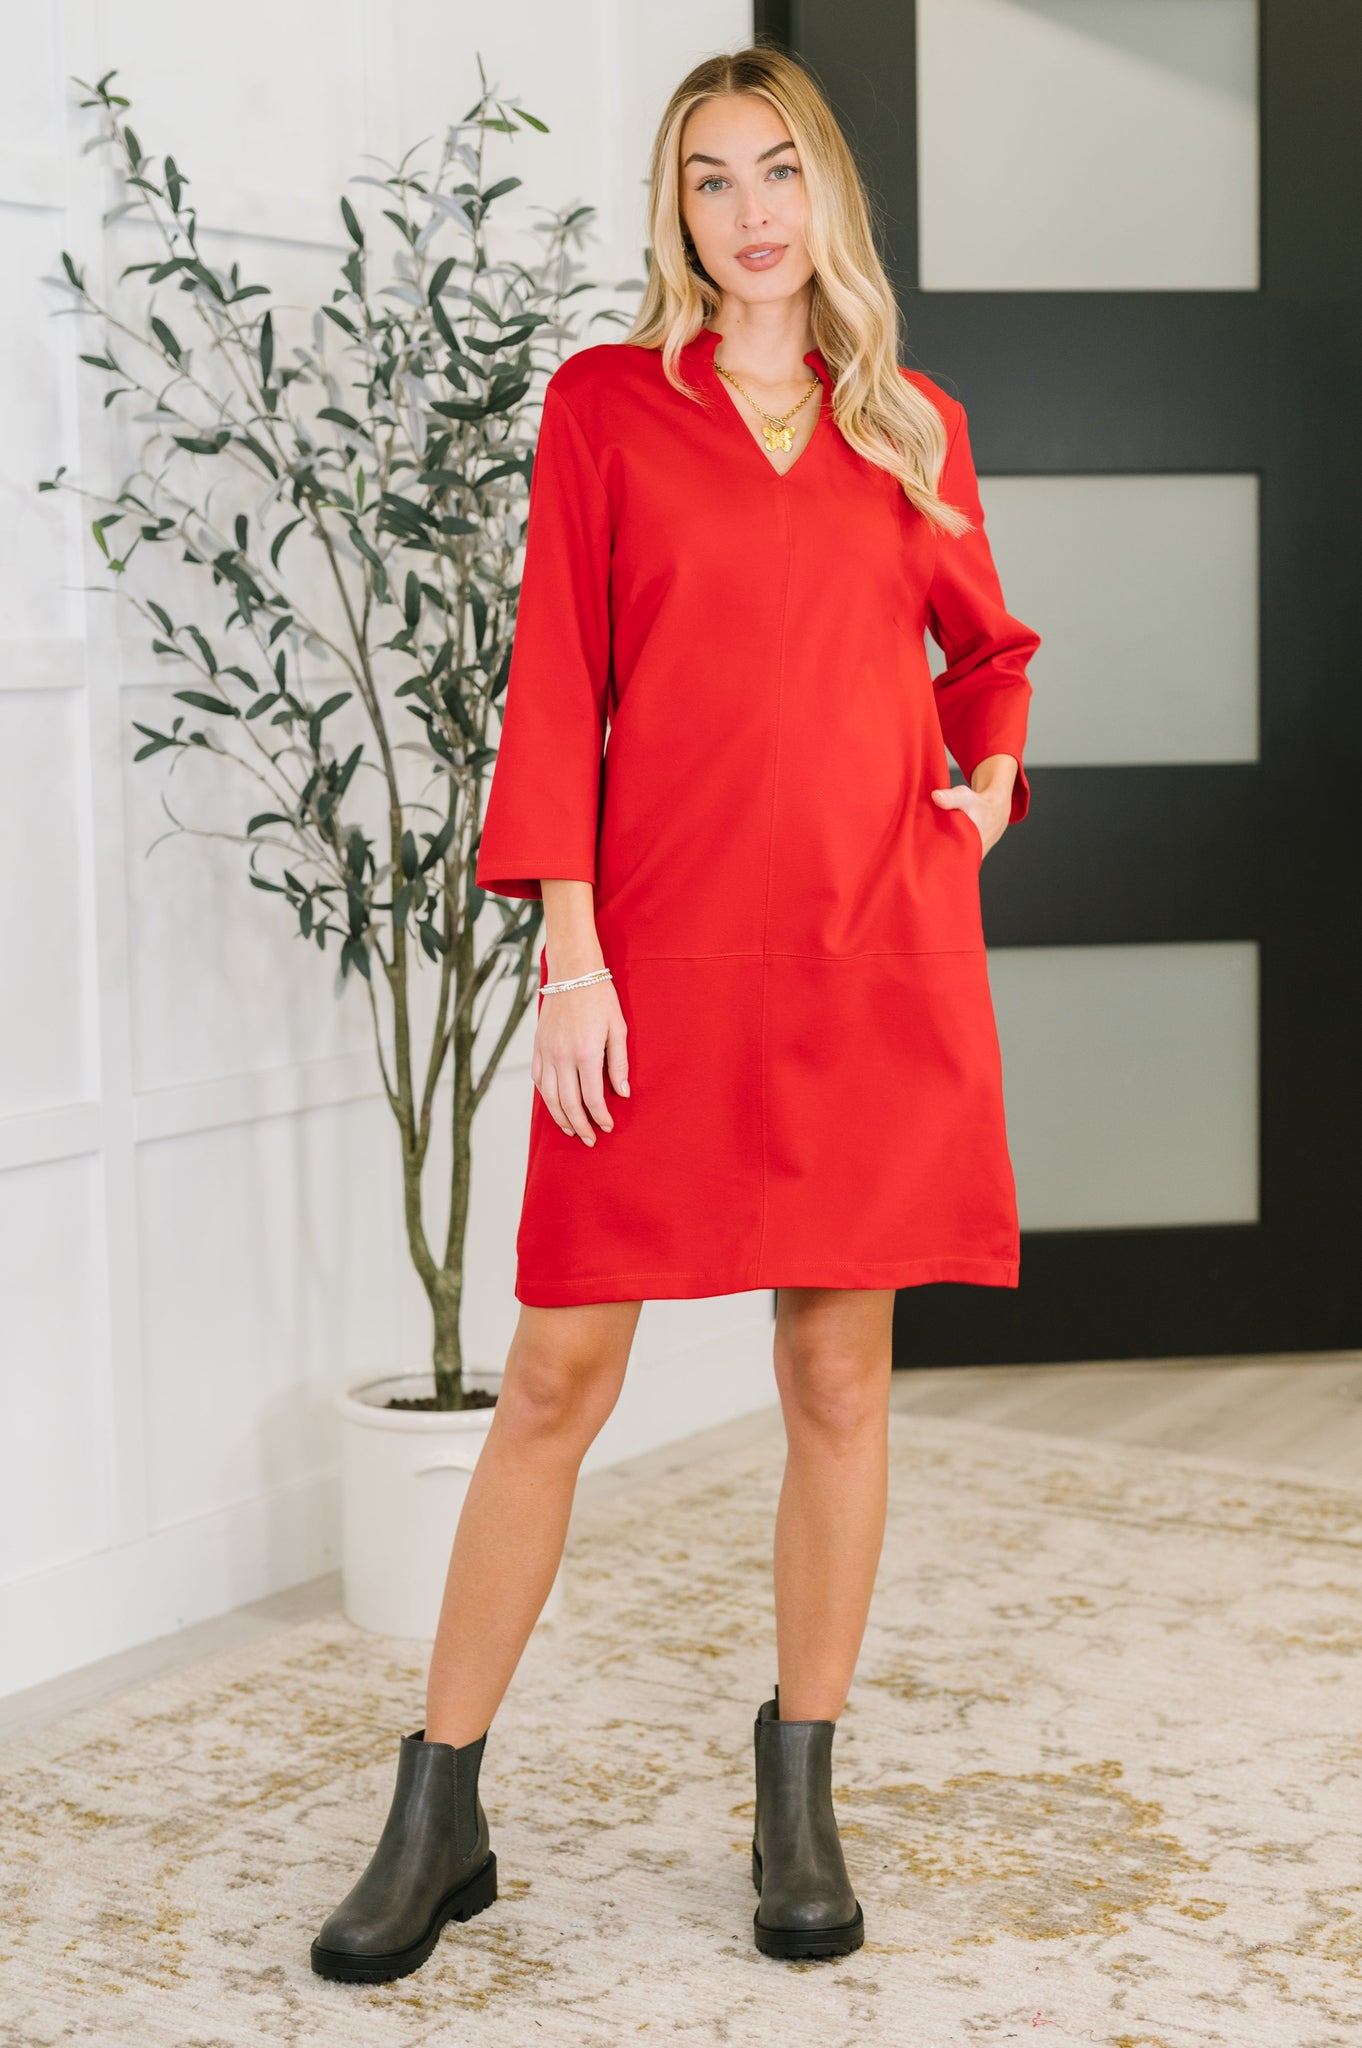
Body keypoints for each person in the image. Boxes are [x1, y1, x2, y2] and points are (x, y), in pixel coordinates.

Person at [310, 43, 1040, 1983]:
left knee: (837, 1379)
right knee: (557, 1376)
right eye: (710, 179)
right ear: (676, 212)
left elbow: (987, 655)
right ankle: (439, 1809)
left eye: (777, 170)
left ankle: (797, 1798)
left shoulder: (913, 424)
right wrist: (570, 953)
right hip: (650, 961)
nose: (749, 212)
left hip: (865, 960)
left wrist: (979, 799)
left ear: (827, 193)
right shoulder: (608, 406)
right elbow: (555, 676)